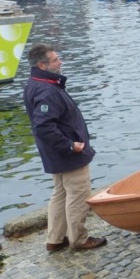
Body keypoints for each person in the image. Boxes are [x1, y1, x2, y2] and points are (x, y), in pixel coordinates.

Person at [23, 44, 107, 252]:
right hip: (68, 153)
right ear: (43, 64)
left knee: (60, 193)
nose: (60, 62)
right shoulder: (47, 90)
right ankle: (79, 239)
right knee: (78, 194)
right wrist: (70, 146)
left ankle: (55, 238)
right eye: (55, 60)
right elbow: (44, 126)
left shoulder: (35, 84)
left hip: (54, 154)